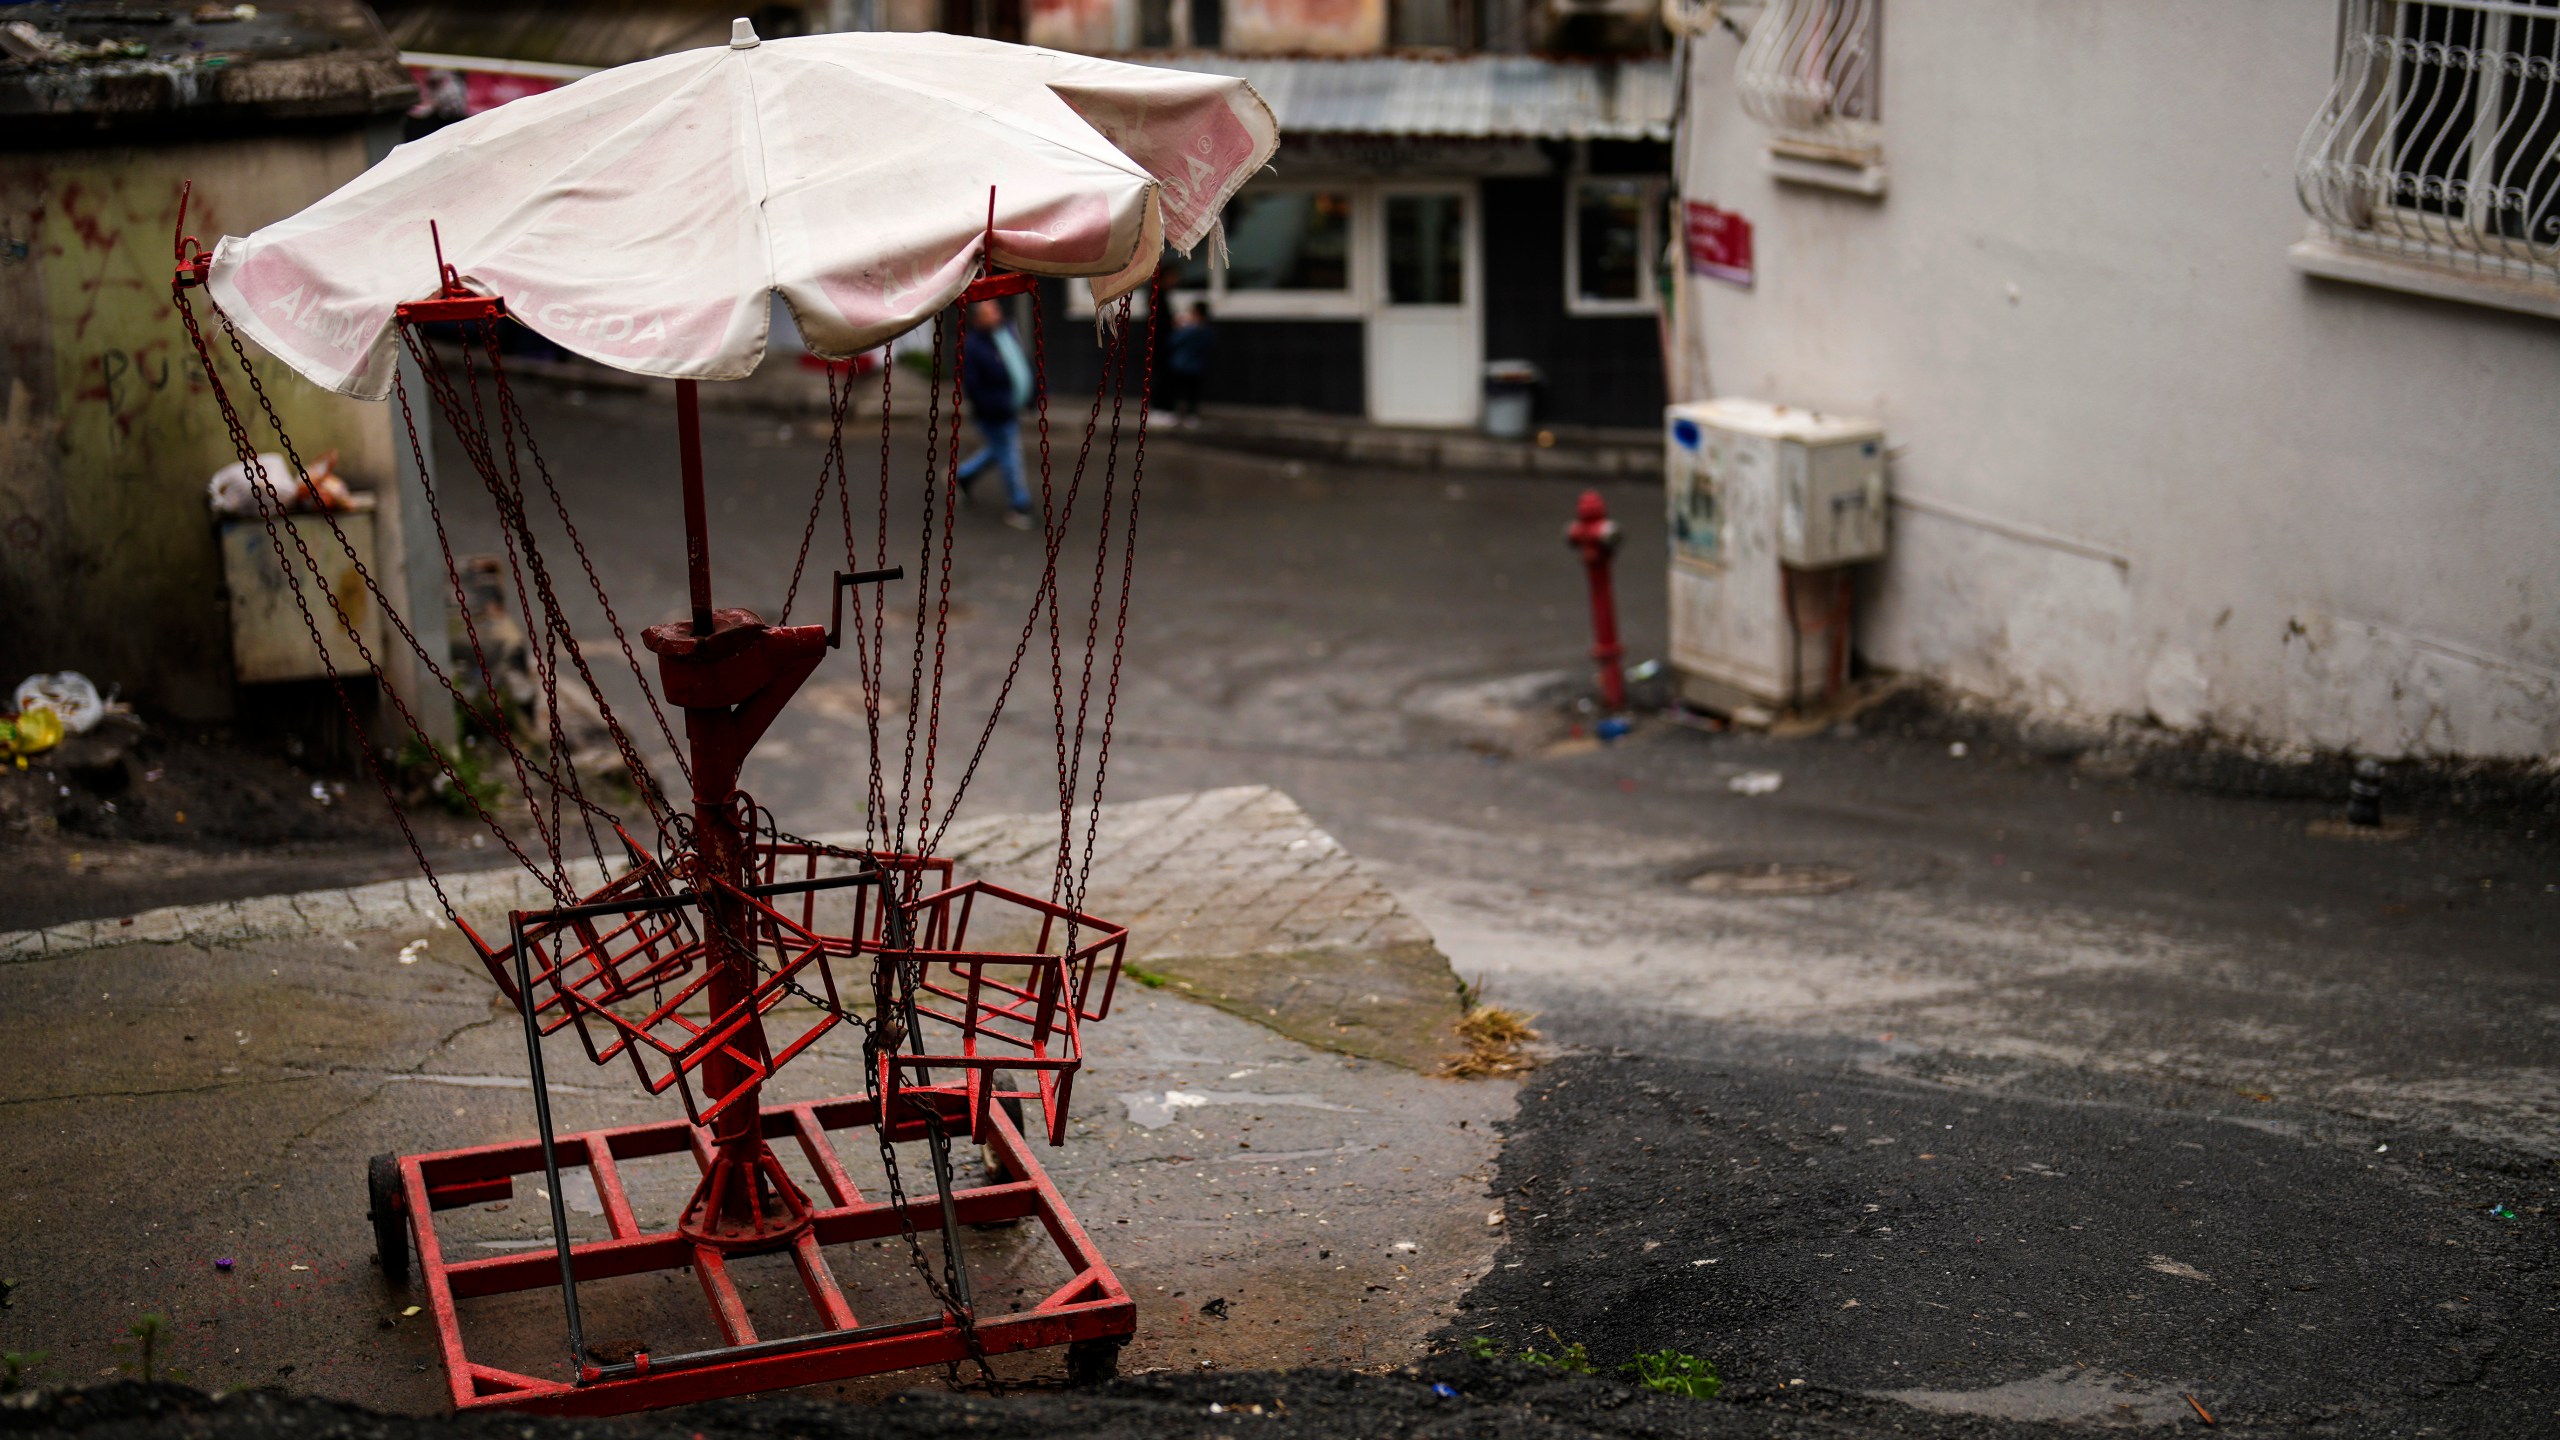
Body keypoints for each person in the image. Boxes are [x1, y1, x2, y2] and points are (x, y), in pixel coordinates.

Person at [956, 299, 1035, 529]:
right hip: (995, 412)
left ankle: (964, 476)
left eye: (996, 309)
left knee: (998, 450)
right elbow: (975, 387)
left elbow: (1021, 363)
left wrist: (1032, 393)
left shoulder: (1005, 332)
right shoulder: (974, 347)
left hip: (1010, 405)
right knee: (1010, 454)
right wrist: (997, 407)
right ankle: (1020, 505)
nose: (995, 314)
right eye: (989, 312)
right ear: (977, 318)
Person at [1163, 299, 1214, 427]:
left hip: (1185, 365)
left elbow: (1174, 341)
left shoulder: (1193, 329)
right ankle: (1185, 413)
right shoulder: (1204, 329)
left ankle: (1185, 414)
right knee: (1187, 391)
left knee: (1187, 391)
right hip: (1190, 365)